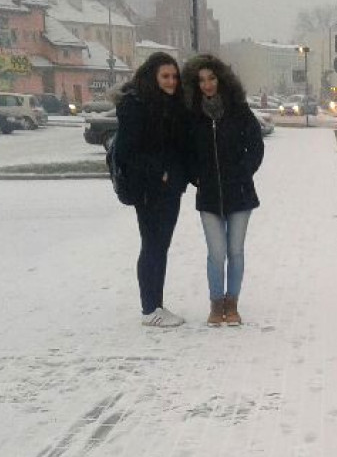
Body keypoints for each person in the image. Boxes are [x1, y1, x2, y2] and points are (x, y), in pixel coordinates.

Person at [181, 54, 264, 327]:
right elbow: (186, 151)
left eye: (212, 78)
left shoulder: (238, 109)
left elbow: (255, 144)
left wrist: (244, 171)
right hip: (208, 197)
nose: (207, 85)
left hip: (239, 194)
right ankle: (216, 304)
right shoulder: (192, 115)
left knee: (235, 251)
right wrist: (196, 177)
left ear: (221, 79)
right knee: (216, 252)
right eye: (202, 80)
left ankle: (233, 303)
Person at [113, 51, 192, 327]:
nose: (171, 81)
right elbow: (126, 150)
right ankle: (150, 309)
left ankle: (156, 305)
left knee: (160, 245)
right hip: (148, 189)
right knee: (152, 245)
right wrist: (159, 172)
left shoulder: (170, 104)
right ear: (152, 76)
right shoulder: (137, 105)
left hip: (169, 188)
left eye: (174, 76)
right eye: (165, 76)